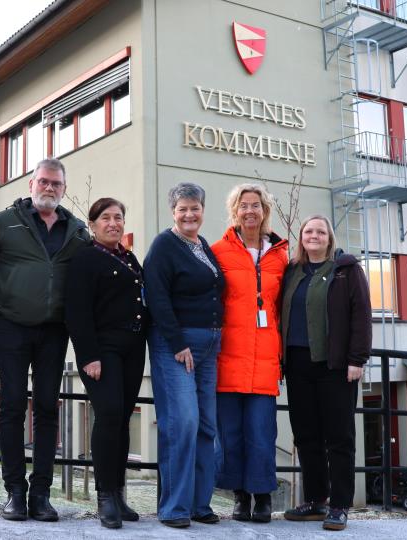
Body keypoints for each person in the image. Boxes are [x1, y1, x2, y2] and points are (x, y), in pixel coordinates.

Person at [0, 158, 90, 522]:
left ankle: (41, 493)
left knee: (47, 408)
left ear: (64, 189)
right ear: (31, 184)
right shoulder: (5, 222)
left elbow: (89, 275)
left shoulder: (77, 231)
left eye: (56, 183)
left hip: (54, 330)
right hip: (11, 327)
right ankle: (15, 492)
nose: (49, 188)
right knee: (10, 406)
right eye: (43, 181)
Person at [280, 215, 371, 531]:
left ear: (329, 237)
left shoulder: (346, 270)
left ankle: (340, 505)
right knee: (306, 436)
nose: (314, 235)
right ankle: (316, 500)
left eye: (320, 231)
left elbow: (361, 315)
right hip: (297, 365)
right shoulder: (293, 271)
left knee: (339, 437)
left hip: (336, 366)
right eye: (308, 231)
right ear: (301, 237)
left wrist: (357, 359)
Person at [143, 182, 225, 529]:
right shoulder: (164, 246)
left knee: (207, 425)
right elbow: (156, 296)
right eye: (183, 209)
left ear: (203, 210)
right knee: (183, 422)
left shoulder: (203, 245)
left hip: (208, 347)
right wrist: (178, 343)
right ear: (173, 212)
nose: (189, 214)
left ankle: (198, 504)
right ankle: (174, 508)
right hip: (176, 347)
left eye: (195, 208)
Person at [64, 198, 148, 529]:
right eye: (106, 218)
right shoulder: (85, 258)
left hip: (133, 348)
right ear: (93, 224)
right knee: (109, 413)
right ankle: (104, 496)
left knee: (123, 418)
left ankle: (118, 493)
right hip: (103, 349)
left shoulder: (129, 257)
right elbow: (77, 311)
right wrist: (89, 356)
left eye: (118, 217)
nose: (113, 223)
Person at [210, 184, 287, 523]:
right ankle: (240, 497)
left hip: (265, 358)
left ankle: (263, 497)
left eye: (256, 205)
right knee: (230, 434)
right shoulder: (218, 251)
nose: (250, 211)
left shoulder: (280, 255)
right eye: (243, 205)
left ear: (265, 210)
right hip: (228, 355)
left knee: (261, 433)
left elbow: (284, 308)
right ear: (235, 211)